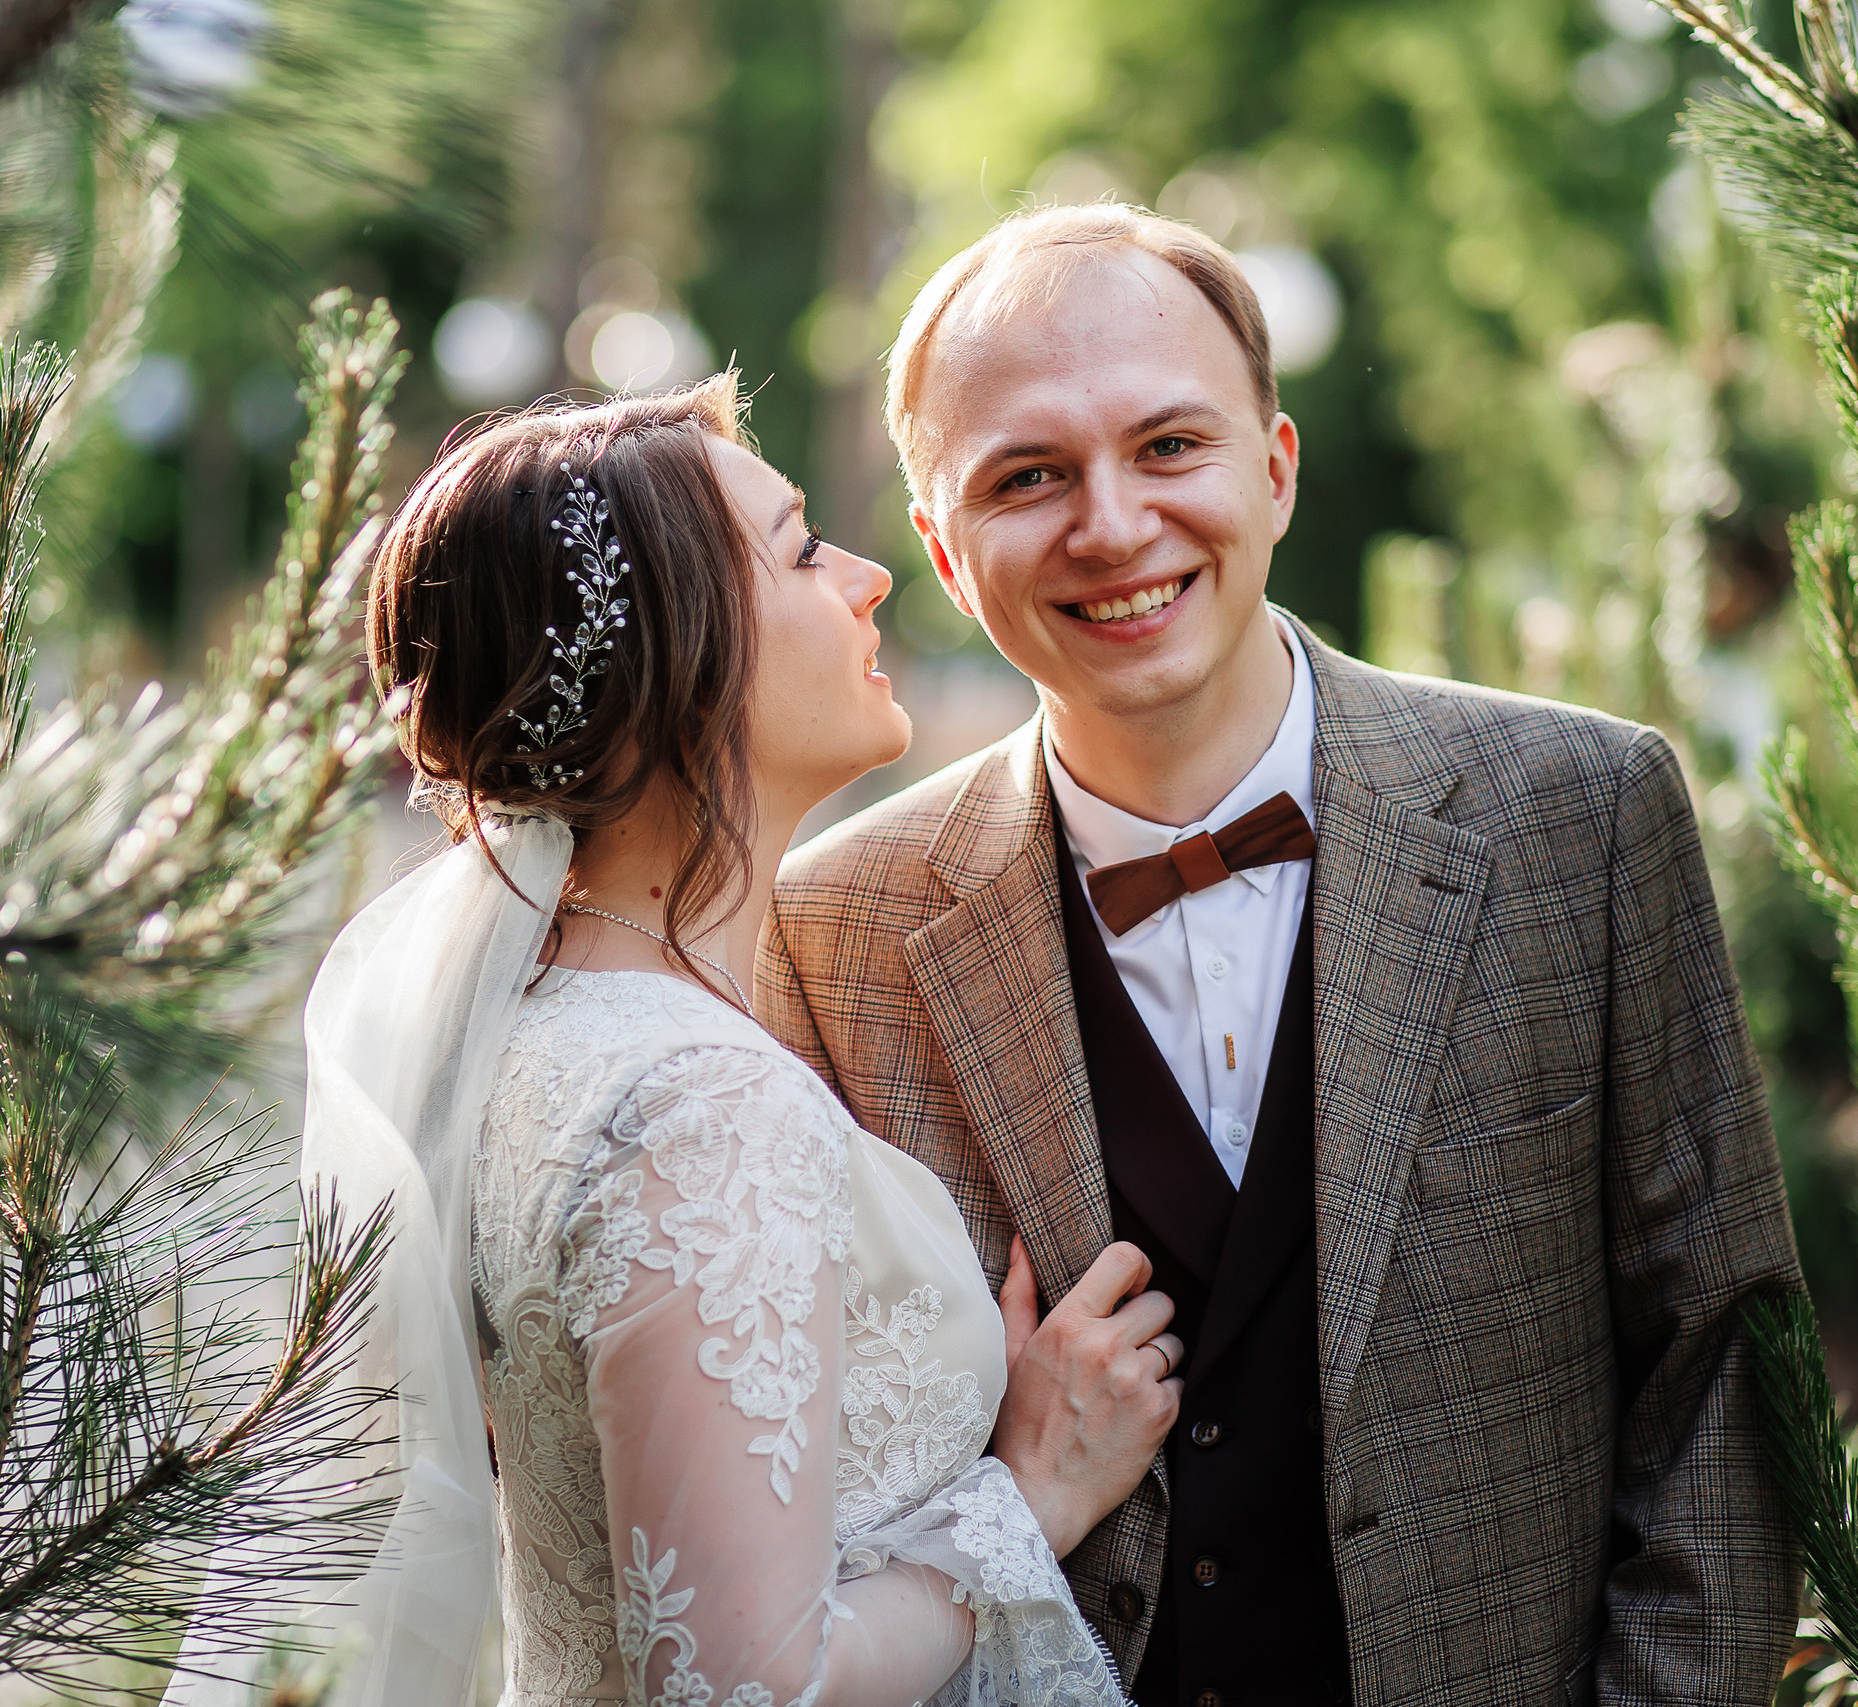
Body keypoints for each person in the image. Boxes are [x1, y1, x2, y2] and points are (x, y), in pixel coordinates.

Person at [758, 204, 1804, 1706]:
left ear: (1278, 467)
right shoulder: (832, 927)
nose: (1112, 525)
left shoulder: (1580, 817)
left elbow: (1723, 1375)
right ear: (941, 543)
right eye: (1028, 477)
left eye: (1170, 447)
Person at [278, 376, 1185, 1707]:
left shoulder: (552, 1035)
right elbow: (746, 1687)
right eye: (806, 550)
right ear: (674, 653)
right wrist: (1026, 1498)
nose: (871, 579)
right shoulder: (694, 1102)